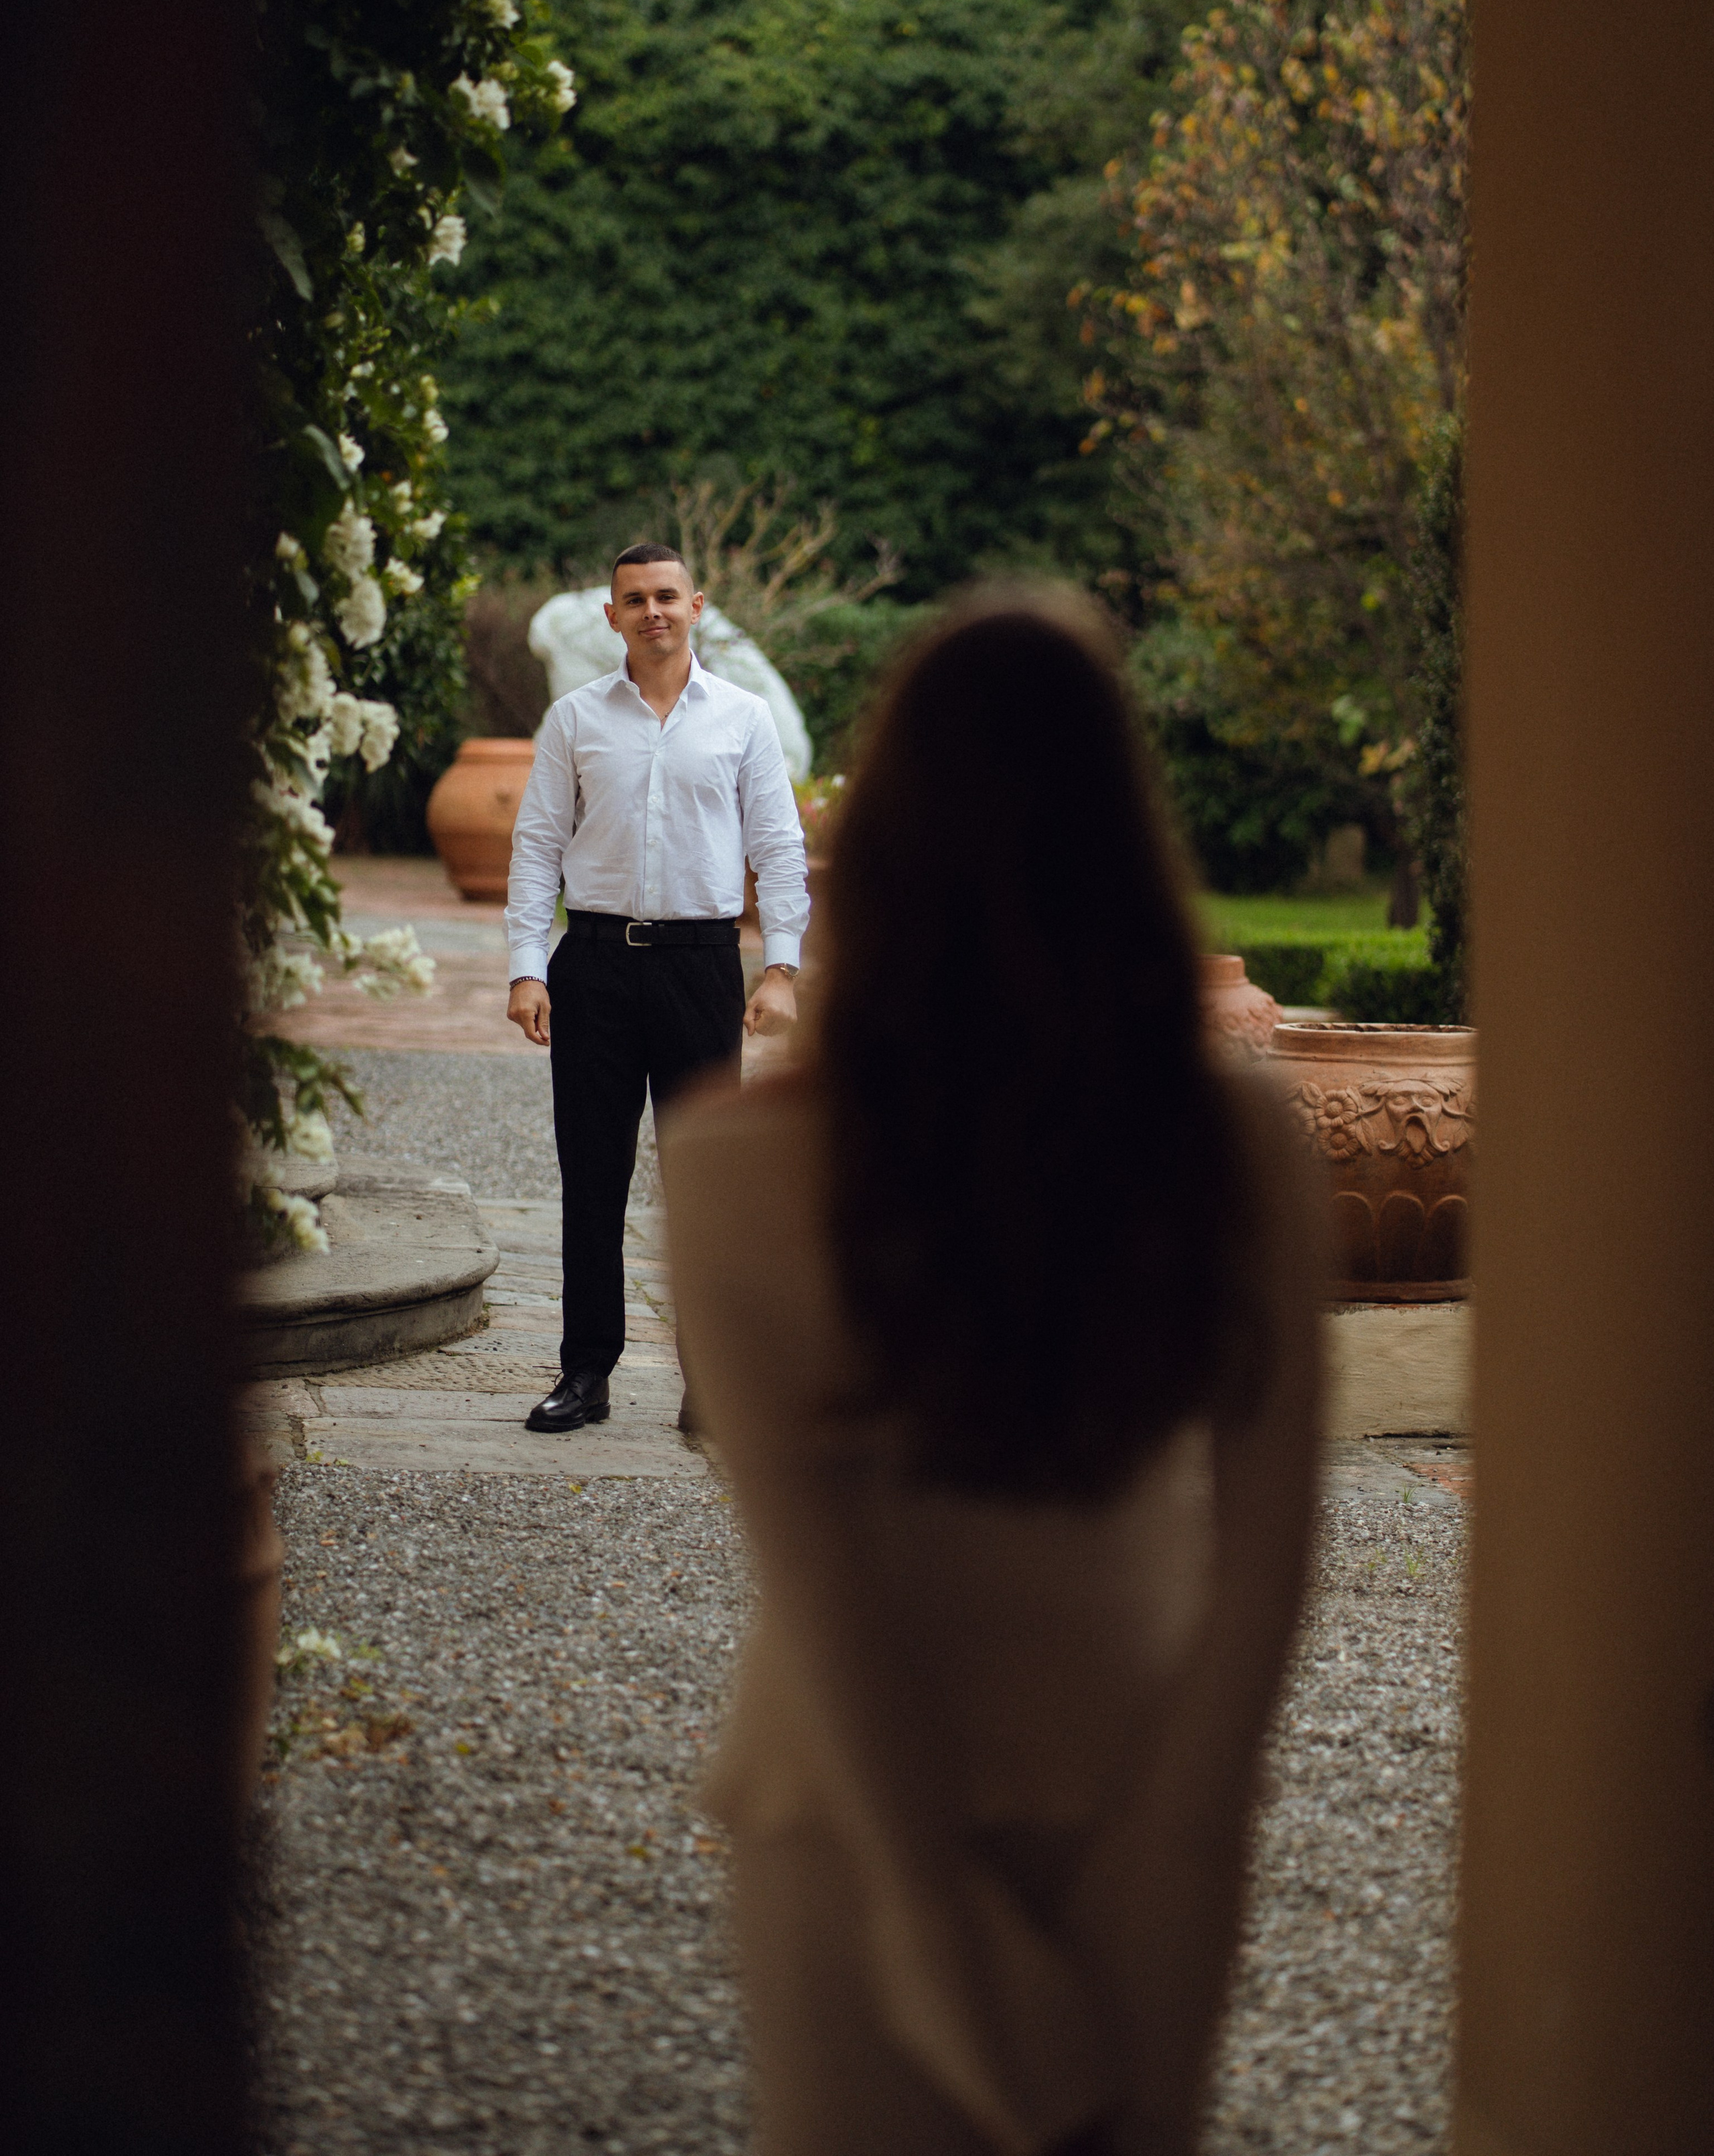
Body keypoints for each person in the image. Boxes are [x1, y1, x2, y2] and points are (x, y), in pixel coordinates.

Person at [659, 588, 1326, 2156]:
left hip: (842, 1807)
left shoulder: (730, 1165)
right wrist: (1183, 1822)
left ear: (877, 842)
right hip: (1139, 1769)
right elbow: (1270, 1554)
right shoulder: (1245, 1146)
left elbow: (816, 1571)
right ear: (1126, 841)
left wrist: (926, 1908)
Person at [505, 543, 807, 1433]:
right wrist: (528, 965)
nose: (653, 612)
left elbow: (780, 848)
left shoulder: (745, 719)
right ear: (612, 616)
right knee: (590, 1177)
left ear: (697, 605)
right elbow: (535, 848)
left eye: (667, 596)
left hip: (700, 967)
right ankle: (585, 1373)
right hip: (593, 964)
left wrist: (781, 967)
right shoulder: (574, 719)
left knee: (706, 1181)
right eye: (634, 599)